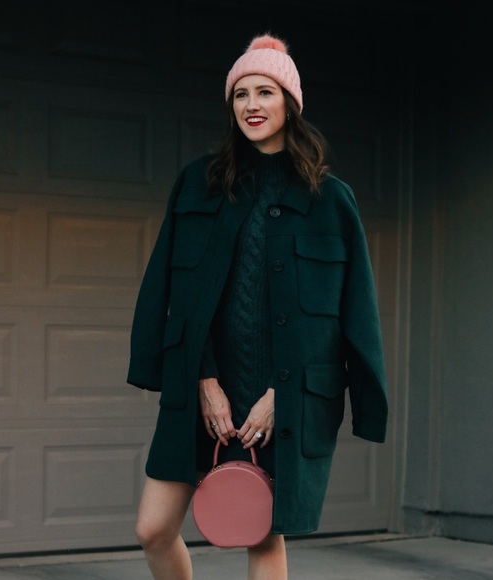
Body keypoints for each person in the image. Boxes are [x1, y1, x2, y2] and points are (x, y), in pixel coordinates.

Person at [127, 33, 388, 580]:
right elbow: (169, 288)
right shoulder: (198, 184)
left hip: (279, 399)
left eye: (265, 92)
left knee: (262, 537)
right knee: (153, 529)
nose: (251, 105)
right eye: (241, 94)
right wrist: (205, 381)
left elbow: (349, 314)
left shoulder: (330, 200)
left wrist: (280, 397)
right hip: (203, 388)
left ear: (289, 103)